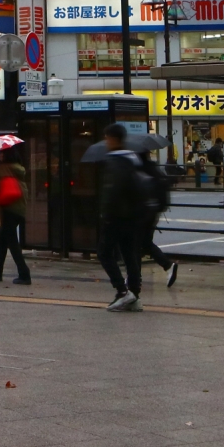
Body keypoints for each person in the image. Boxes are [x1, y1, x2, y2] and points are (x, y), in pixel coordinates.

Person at [97, 124, 147, 311]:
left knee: (104, 252)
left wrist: (106, 213)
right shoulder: (132, 159)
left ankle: (122, 291)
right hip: (133, 215)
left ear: (113, 139)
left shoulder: (114, 162)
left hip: (116, 215)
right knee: (129, 254)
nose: (106, 141)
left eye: (107, 138)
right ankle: (134, 294)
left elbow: (112, 190)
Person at [0, 147, 31, 285]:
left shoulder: (3, 169)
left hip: (9, 209)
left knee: (11, 242)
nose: (1, 155)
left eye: (3, 154)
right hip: (18, 209)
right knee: (2, 238)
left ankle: (24, 273)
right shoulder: (18, 169)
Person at [137, 144, 178, 288]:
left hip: (142, 212)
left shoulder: (140, 170)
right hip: (153, 211)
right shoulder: (153, 167)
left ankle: (134, 277)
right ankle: (166, 265)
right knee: (144, 242)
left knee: (139, 242)